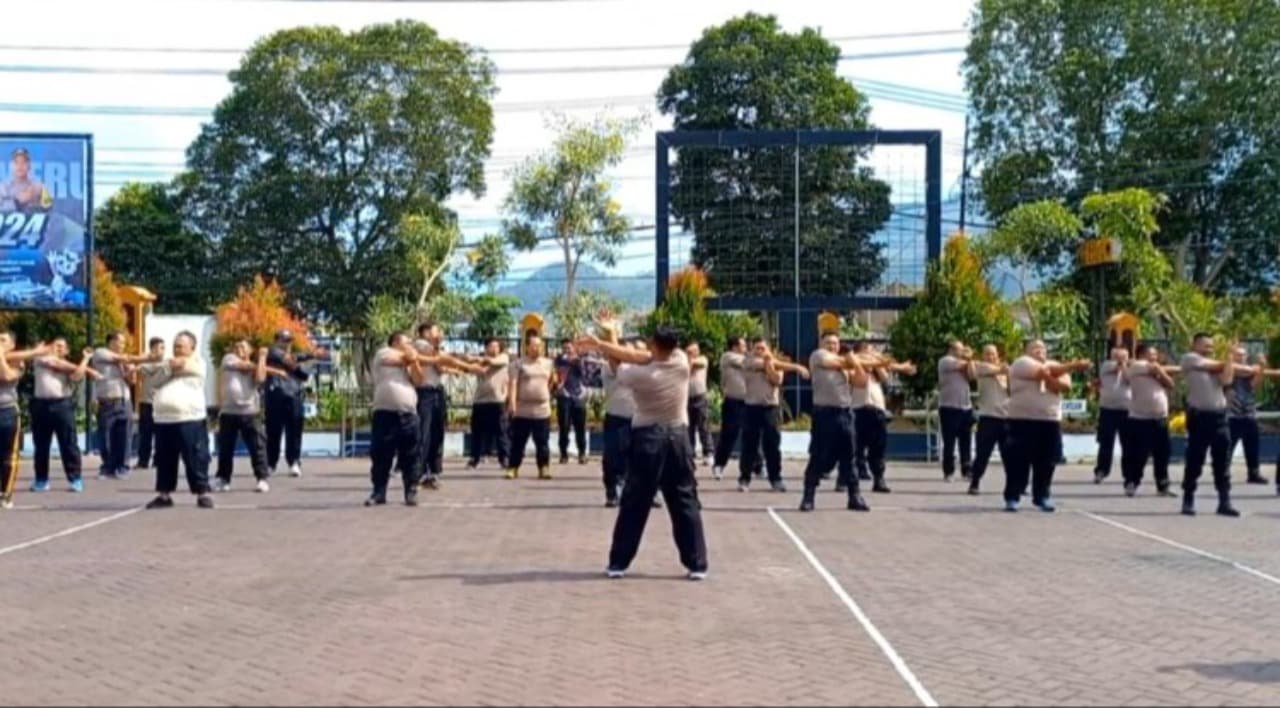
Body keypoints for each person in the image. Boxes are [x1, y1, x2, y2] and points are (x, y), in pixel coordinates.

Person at [575, 326, 709, 581]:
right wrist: (606, 341)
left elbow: (618, 364)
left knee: (635, 502)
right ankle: (697, 564)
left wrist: (604, 341)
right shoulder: (681, 362)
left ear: (655, 346)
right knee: (685, 500)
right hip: (679, 439)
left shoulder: (642, 375)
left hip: (649, 439)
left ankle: (618, 563)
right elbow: (641, 356)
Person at [1003, 340, 1090, 512]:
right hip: (1022, 420)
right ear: (1026, 351)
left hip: (1049, 420)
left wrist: (1049, 377)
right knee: (1018, 461)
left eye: (1042, 348)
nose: (1039, 351)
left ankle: (1042, 496)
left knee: (1047, 461)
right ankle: (1012, 497)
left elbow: (1064, 386)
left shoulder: (1057, 365)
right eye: (1035, 348)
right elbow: (1042, 373)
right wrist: (1073, 366)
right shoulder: (1021, 363)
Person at [800, 332, 870, 512]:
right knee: (818, 455)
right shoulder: (817, 356)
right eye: (829, 343)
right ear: (821, 344)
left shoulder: (846, 364)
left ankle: (854, 496)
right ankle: (808, 497)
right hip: (824, 414)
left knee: (850, 457)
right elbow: (836, 362)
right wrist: (854, 360)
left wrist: (856, 364)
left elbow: (861, 382)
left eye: (835, 344)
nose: (832, 346)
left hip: (845, 414)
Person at [146, 331, 213, 510]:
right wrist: (168, 368)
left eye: (181, 346)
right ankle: (164, 495)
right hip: (163, 420)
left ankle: (202, 493)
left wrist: (167, 368)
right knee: (164, 458)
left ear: (192, 347)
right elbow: (152, 382)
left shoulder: (199, 362)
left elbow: (185, 367)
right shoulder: (168, 364)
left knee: (195, 457)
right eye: (175, 346)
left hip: (190, 418)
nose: (177, 349)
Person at [1179, 334, 1239, 517]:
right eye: (1205, 345)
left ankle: (1224, 501)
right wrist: (1229, 358)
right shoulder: (1190, 359)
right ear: (1195, 344)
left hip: (1219, 418)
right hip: (1199, 418)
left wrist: (1230, 359)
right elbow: (1216, 366)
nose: (1209, 348)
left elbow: (1227, 380)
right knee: (1195, 460)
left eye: (1211, 346)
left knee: (1222, 461)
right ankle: (1188, 499)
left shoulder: (1215, 363)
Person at [739, 339, 809, 493]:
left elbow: (776, 380)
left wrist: (771, 365)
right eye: (757, 348)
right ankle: (744, 478)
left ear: (769, 349)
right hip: (752, 407)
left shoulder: (776, 365)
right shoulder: (747, 361)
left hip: (770, 408)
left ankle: (775, 478)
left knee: (772, 445)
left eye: (763, 348)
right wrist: (796, 367)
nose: (760, 351)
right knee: (749, 445)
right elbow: (761, 364)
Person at [366, 332, 426, 507]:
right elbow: (400, 359)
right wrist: (412, 356)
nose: (410, 344)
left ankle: (411, 491)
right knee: (381, 455)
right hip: (385, 413)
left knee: (411, 455)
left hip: (408, 414)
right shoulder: (384, 353)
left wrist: (415, 361)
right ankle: (379, 492)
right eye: (407, 342)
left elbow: (419, 380)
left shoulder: (410, 360)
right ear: (396, 342)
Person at [214, 341, 281, 494]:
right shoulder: (229, 359)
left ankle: (262, 478)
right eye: (237, 346)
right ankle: (223, 479)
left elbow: (260, 379)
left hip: (250, 411)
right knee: (226, 449)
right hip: (228, 411)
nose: (239, 349)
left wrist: (263, 358)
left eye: (243, 347)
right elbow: (245, 367)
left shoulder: (255, 366)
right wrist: (273, 369)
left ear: (250, 351)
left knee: (257, 447)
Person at [30, 339, 97, 493]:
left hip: (62, 405)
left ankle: (75, 479)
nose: (58, 348)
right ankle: (41, 479)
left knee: (68, 443)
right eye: (55, 345)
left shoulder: (69, 366)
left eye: (62, 347)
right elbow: (56, 364)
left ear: (66, 351)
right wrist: (90, 370)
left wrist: (85, 359)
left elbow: (77, 376)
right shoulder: (41, 358)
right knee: (41, 445)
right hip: (41, 405)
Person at [91, 332, 159, 480]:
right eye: (120, 342)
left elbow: (132, 381)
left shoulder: (125, 360)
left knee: (124, 437)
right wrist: (147, 357)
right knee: (106, 437)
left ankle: (123, 467)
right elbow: (121, 358)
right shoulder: (101, 353)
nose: (122, 346)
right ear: (111, 342)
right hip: (106, 401)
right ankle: (108, 468)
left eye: (123, 343)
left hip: (123, 400)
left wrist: (130, 371)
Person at [851, 342, 916, 493]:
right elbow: (861, 359)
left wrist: (884, 365)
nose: (873, 353)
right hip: (858, 409)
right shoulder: (853, 362)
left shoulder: (876, 370)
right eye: (869, 349)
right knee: (855, 446)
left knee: (878, 447)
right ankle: (851, 475)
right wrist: (879, 360)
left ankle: (879, 478)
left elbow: (886, 377)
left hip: (877, 410)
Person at [0, 335, 52, 509]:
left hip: (6, 411)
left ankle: (5, 494)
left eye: (3, 340)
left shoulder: (18, 362)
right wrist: (34, 352)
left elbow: (7, 375)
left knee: (8, 456)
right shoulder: (18, 356)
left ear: (12, 344)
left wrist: (1, 354)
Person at [1120, 344, 1177, 497]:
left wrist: (1161, 371)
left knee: (1162, 453)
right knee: (1139, 454)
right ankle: (1132, 482)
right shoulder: (1137, 366)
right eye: (1150, 354)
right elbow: (1159, 370)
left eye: (1155, 355)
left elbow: (1171, 384)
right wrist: (1161, 369)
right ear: (1140, 355)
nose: (1154, 358)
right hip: (1140, 418)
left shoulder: (1157, 369)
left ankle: (1163, 485)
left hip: (1160, 417)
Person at [264, 330, 324, 478]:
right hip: (276, 396)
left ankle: (294, 462)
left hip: (294, 395)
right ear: (276, 340)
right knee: (273, 431)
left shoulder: (293, 355)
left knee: (295, 431)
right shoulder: (273, 352)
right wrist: (310, 360)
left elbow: (297, 360)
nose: (287, 343)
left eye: (289, 340)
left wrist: (310, 357)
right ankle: (271, 463)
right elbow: (295, 366)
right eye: (284, 340)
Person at [506, 334, 557, 480]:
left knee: (542, 442)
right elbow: (513, 384)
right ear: (527, 347)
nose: (537, 348)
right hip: (523, 410)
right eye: (534, 345)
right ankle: (513, 467)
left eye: (539, 345)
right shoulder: (518, 364)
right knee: (518, 442)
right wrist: (512, 404)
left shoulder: (548, 363)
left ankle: (544, 468)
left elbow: (551, 382)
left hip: (542, 410)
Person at [712, 337, 757, 481]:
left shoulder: (749, 359)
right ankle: (719, 464)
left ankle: (758, 466)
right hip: (733, 401)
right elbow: (747, 363)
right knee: (729, 434)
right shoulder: (728, 357)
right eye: (743, 345)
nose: (746, 347)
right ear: (734, 347)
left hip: (749, 402)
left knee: (752, 435)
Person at [600, 330, 637, 507]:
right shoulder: (610, 366)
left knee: (637, 458)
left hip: (638, 420)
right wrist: (610, 332)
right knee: (613, 457)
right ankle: (612, 490)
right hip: (616, 419)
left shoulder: (638, 369)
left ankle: (638, 491)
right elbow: (616, 361)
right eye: (626, 352)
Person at [967, 344, 1010, 496]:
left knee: (1010, 456)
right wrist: (1002, 370)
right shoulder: (980, 367)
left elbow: (1013, 391)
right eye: (987, 354)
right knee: (982, 454)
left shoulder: (1006, 374)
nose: (990, 357)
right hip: (988, 418)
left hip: (1006, 419)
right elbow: (974, 372)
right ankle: (975, 483)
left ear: (998, 356)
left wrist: (1007, 374)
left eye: (993, 354)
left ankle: (1014, 486)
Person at [464, 338, 511, 470]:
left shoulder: (503, 358)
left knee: (501, 431)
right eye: (490, 346)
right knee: (477, 431)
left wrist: (475, 359)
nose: (493, 349)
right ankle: (474, 458)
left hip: (498, 400)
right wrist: (468, 361)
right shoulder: (482, 360)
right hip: (480, 400)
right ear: (486, 348)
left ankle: (504, 458)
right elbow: (473, 370)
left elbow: (491, 362)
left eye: (496, 346)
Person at [412, 323, 449, 488]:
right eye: (436, 330)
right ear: (426, 332)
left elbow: (441, 367)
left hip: (437, 391)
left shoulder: (435, 348)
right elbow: (436, 358)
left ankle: (433, 472)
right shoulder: (420, 344)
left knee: (437, 433)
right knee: (424, 433)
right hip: (425, 392)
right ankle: (417, 472)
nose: (439, 334)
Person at [1226, 347, 1269, 486]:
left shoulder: (1250, 372)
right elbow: (1231, 371)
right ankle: (1223, 471)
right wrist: (1252, 369)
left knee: (1252, 446)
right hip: (1232, 415)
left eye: (1243, 355)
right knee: (1228, 446)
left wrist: (1261, 367)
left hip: (1249, 414)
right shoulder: (1229, 369)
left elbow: (1255, 385)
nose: (1241, 357)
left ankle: (1253, 473)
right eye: (1238, 355)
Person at [1093, 347, 1132, 484]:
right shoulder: (1106, 366)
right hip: (1107, 410)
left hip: (1127, 411)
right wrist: (1120, 364)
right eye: (1117, 356)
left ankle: (1129, 475)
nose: (1120, 359)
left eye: (1124, 356)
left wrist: (1125, 366)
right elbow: (1115, 367)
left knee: (1128, 445)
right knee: (1106, 443)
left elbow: (1129, 379)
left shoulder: (1130, 369)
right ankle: (1101, 471)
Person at [937, 341, 974, 482]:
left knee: (966, 441)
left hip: (965, 407)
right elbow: (961, 365)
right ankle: (949, 471)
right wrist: (969, 358)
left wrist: (970, 361)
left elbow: (972, 375)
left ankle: (967, 470)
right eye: (960, 349)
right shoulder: (945, 361)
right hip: (949, 407)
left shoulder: (965, 362)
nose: (962, 352)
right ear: (952, 349)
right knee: (949, 442)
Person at [554, 339, 590, 465]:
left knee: (580, 427)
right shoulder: (558, 360)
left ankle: (582, 453)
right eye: (565, 348)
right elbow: (555, 376)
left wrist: (577, 361)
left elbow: (585, 375)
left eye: (569, 348)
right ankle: (563, 454)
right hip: (564, 396)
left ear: (574, 348)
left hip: (578, 396)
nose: (567, 350)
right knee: (564, 427)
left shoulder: (579, 360)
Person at [133, 337, 167, 470]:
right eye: (160, 348)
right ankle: (143, 461)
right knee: (145, 433)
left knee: (161, 434)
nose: (163, 351)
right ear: (152, 349)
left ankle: (158, 460)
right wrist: (147, 357)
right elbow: (138, 367)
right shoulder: (145, 363)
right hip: (146, 402)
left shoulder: (166, 363)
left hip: (161, 403)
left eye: (164, 348)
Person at [685, 342, 713, 465]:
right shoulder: (685, 363)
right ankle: (690, 454)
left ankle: (708, 453)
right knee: (689, 428)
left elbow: (698, 364)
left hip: (700, 397)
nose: (692, 354)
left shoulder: (703, 359)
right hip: (687, 399)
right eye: (689, 352)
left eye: (694, 351)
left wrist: (689, 361)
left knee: (704, 426)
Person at [0, 147, 52, 213]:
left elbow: (49, 209)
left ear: (29, 165)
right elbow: (1, 211)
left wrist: (36, 200)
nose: (20, 166)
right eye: (16, 162)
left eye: (24, 162)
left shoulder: (39, 187)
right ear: (11, 166)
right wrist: (17, 201)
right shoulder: (3, 188)